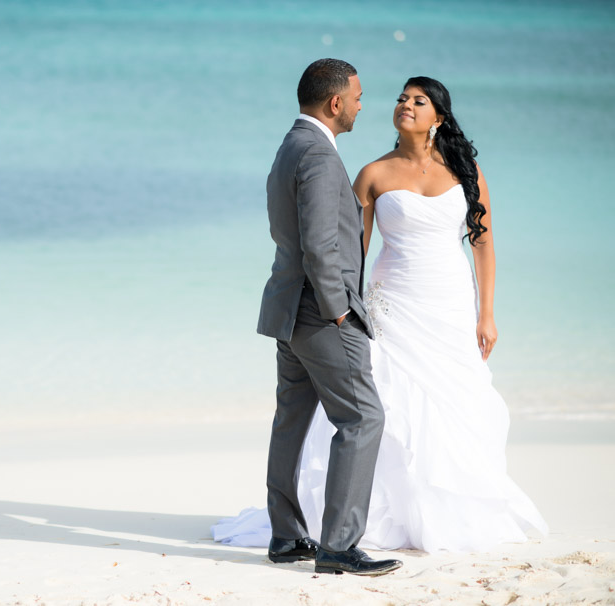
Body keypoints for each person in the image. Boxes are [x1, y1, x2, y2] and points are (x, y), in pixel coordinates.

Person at [213, 76, 548, 553]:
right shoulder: (372, 173)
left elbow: (484, 243)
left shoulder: (467, 171)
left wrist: (487, 313)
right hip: (394, 301)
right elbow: (351, 249)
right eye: (401, 98)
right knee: (382, 408)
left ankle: (445, 508)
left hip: (451, 303)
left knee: (454, 401)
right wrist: (345, 309)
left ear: (440, 117)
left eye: (419, 100)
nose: (405, 105)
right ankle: (358, 524)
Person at [252, 58, 402, 576]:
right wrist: (340, 312)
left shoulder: (290, 144)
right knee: (363, 418)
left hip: (288, 309)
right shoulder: (318, 154)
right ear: (335, 103)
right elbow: (319, 244)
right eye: (358, 97)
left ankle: (288, 537)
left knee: (290, 422)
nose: (363, 105)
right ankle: (339, 547)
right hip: (320, 314)